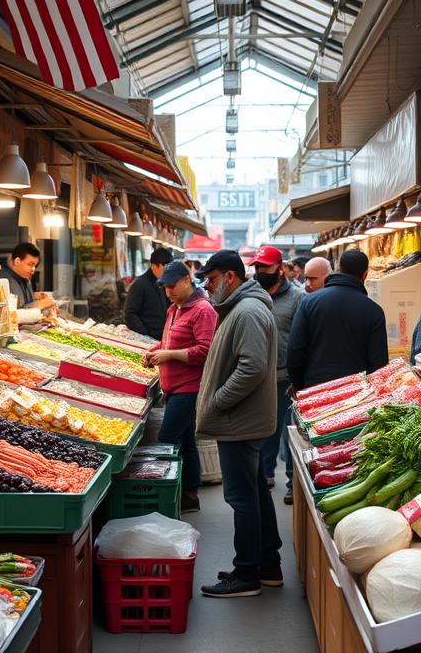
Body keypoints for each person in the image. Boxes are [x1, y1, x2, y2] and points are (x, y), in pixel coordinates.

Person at [194, 250, 280, 598]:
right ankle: (267, 565)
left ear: (230, 277)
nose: (207, 286)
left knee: (240, 497)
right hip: (244, 420)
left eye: (212, 279)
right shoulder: (242, 308)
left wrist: (218, 401)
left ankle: (246, 574)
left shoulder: (246, 312)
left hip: (240, 422)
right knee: (254, 491)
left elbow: (252, 367)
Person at [142, 261, 217, 514]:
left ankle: (170, 496)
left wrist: (169, 355)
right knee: (186, 440)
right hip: (173, 387)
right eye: (165, 287)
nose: (169, 291)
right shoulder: (175, 308)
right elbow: (167, 341)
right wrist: (154, 351)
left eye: (172, 286)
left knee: (167, 438)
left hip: (190, 388)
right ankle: (189, 494)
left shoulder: (203, 310)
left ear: (187, 280)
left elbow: (205, 351)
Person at [248, 245, 304, 504]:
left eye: (265, 267)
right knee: (264, 430)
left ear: (279, 269)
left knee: (290, 431)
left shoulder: (297, 298)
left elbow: (302, 338)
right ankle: (266, 474)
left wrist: (298, 375)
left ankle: (293, 482)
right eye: (257, 267)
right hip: (259, 375)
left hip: (286, 376)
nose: (260, 271)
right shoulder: (252, 295)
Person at [287, 250, 387, 392]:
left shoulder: (309, 302)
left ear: (339, 268)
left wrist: (300, 386)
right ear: (365, 275)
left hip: (315, 390)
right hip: (357, 394)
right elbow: (379, 364)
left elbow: (295, 349)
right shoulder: (374, 311)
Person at [124, 247, 173, 339]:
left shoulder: (165, 283)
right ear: (154, 266)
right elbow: (130, 313)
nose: (168, 272)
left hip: (164, 336)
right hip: (148, 338)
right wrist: (145, 335)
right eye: (165, 268)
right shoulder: (139, 284)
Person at [0, 242, 41, 308]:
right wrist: (38, 305)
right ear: (17, 261)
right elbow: (9, 312)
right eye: (30, 264)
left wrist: (34, 297)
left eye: (35, 265)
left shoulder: (24, 277)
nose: (33, 269)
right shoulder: (1, 280)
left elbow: (23, 303)